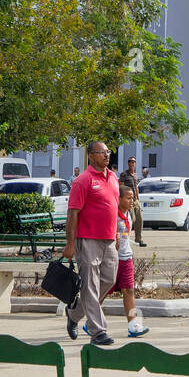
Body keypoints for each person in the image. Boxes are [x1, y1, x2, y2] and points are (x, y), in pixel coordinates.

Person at [63, 140, 119, 346]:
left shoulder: (112, 177)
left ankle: (74, 313)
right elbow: (72, 214)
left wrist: (118, 234)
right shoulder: (83, 180)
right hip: (87, 240)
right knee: (90, 285)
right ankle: (98, 331)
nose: (106, 155)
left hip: (110, 240)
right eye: (102, 152)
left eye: (108, 151)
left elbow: (114, 209)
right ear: (90, 156)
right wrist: (70, 244)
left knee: (109, 280)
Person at [81, 184, 149, 339]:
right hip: (112, 259)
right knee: (103, 292)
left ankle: (133, 325)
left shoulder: (128, 214)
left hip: (126, 258)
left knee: (129, 290)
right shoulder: (112, 214)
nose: (132, 201)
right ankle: (92, 321)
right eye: (128, 198)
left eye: (133, 198)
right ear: (118, 199)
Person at [118, 155, 143, 247]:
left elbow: (136, 187)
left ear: (135, 164)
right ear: (128, 163)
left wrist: (138, 200)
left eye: (133, 162)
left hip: (135, 200)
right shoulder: (124, 174)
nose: (131, 163)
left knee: (139, 220)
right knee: (131, 219)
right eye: (130, 161)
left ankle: (139, 239)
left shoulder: (135, 175)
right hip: (127, 200)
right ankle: (125, 238)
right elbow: (120, 187)